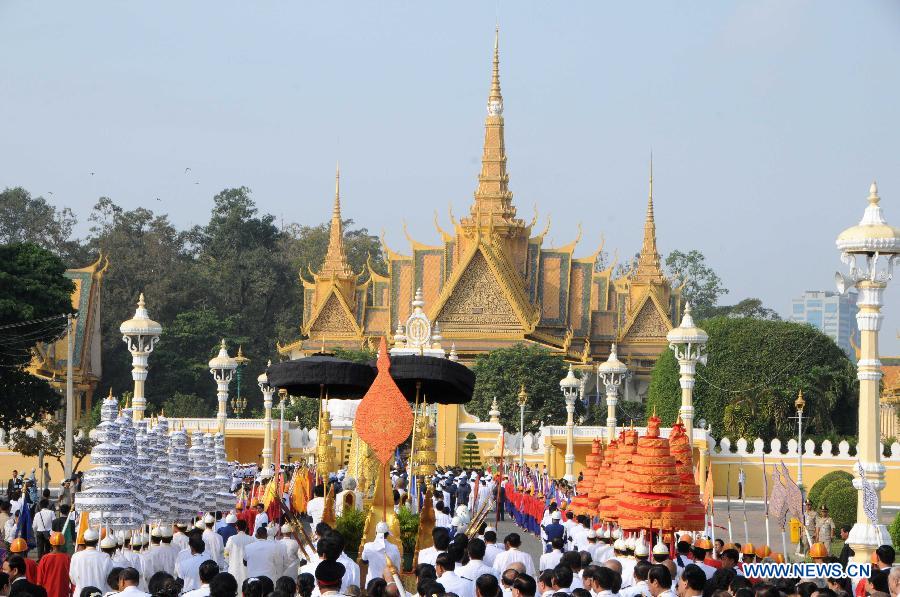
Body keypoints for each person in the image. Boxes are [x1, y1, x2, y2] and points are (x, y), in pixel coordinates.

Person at [70, 529, 112, 596]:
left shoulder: (76, 556)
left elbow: (73, 580)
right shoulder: (105, 557)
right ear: (97, 541)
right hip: (99, 594)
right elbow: (109, 580)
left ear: (84, 541)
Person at [37, 532, 70, 597]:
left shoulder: (44, 558)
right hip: (63, 593)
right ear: (62, 544)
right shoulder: (67, 558)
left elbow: (39, 581)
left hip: (47, 593)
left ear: (51, 544)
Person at [224, 520, 254, 586]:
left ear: (236, 527)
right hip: (247, 570)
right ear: (246, 527)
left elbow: (226, 553)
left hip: (234, 568)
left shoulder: (231, 539)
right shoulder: (251, 539)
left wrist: (230, 561)